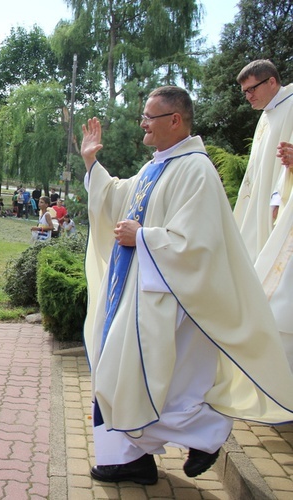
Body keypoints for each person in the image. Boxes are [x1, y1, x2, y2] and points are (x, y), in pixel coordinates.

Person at [80, 86, 293, 486]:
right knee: (121, 378)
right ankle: (129, 460)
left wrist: (143, 237)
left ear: (174, 120)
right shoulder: (158, 164)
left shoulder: (196, 169)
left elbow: (198, 243)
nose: (142, 122)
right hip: (137, 292)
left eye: (149, 116)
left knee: (151, 384)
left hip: (168, 302)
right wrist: (93, 164)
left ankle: (207, 432)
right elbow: (118, 197)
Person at [233, 60, 293, 260]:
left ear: (272, 82)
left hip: (279, 201)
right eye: (245, 92)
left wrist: (278, 198)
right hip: (258, 199)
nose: (248, 96)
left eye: (252, 89)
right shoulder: (266, 114)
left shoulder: (291, 104)